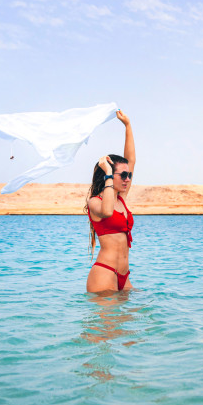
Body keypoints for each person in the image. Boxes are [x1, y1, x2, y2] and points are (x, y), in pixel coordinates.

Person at [85, 110, 135, 294]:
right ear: (108, 175)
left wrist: (128, 126)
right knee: (109, 324)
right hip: (104, 273)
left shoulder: (121, 199)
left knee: (147, 318)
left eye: (128, 175)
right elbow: (107, 211)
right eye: (123, 175)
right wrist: (107, 172)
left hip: (124, 276)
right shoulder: (95, 203)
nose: (128, 178)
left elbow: (132, 160)